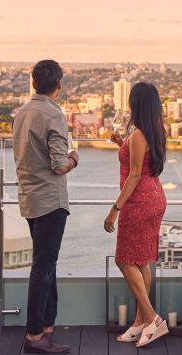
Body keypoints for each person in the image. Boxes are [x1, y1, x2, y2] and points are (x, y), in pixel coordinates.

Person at [13, 60, 78, 354]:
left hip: (29, 198)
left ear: (34, 82)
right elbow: (59, 165)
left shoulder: (21, 113)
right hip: (51, 200)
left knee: (47, 263)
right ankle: (35, 335)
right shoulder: (54, 114)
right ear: (59, 84)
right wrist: (75, 159)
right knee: (42, 266)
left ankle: (47, 327)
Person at [104, 82, 168, 348]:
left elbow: (133, 175)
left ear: (136, 104)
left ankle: (153, 319)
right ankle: (140, 322)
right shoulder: (154, 131)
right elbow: (140, 161)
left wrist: (114, 209)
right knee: (141, 259)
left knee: (124, 259)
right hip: (154, 197)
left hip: (139, 200)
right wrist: (121, 143)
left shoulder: (140, 134)